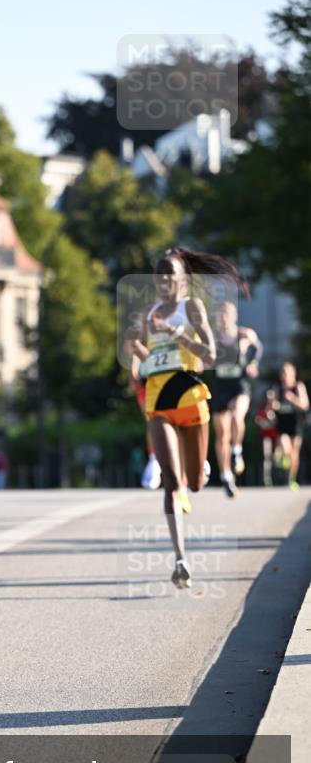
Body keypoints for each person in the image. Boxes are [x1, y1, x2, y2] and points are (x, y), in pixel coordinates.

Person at [126, 246, 249, 589]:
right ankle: (180, 558)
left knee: (194, 483)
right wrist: (136, 345)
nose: (165, 280)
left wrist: (177, 334)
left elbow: (209, 354)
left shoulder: (190, 308)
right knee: (171, 481)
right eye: (160, 275)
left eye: (172, 275)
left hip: (191, 400)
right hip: (158, 402)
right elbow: (140, 350)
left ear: (183, 281)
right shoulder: (149, 313)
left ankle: (203, 469)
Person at [210, 301, 262, 498]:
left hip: (239, 386)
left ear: (234, 316)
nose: (223, 317)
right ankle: (226, 475)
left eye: (227, 313)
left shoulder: (244, 334)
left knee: (236, 417)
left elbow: (258, 346)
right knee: (221, 435)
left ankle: (237, 451)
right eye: (220, 313)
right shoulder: (212, 338)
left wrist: (253, 363)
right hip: (220, 387)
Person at [272, 363, 309, 490]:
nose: (284, 376)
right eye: (282, 373)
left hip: (296, 424)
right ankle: (283, 457)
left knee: (294, 453)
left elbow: (305, 405)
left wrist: (293, 399)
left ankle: (291, 478)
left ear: (293, 374)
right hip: (282, 424)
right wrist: (274, 405)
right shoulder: (278, 388)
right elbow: (272, 405)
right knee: (284, 444)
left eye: (287, 373)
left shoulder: (298, 387)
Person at [254, 388, 278, 487]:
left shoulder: (276, 408)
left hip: (276, 437)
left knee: (276, 458)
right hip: (266, 436)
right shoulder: (262, 409)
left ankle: (280, 478)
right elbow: (259, 421)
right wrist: (268, 423)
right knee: (266, 456)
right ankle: (266, 478)